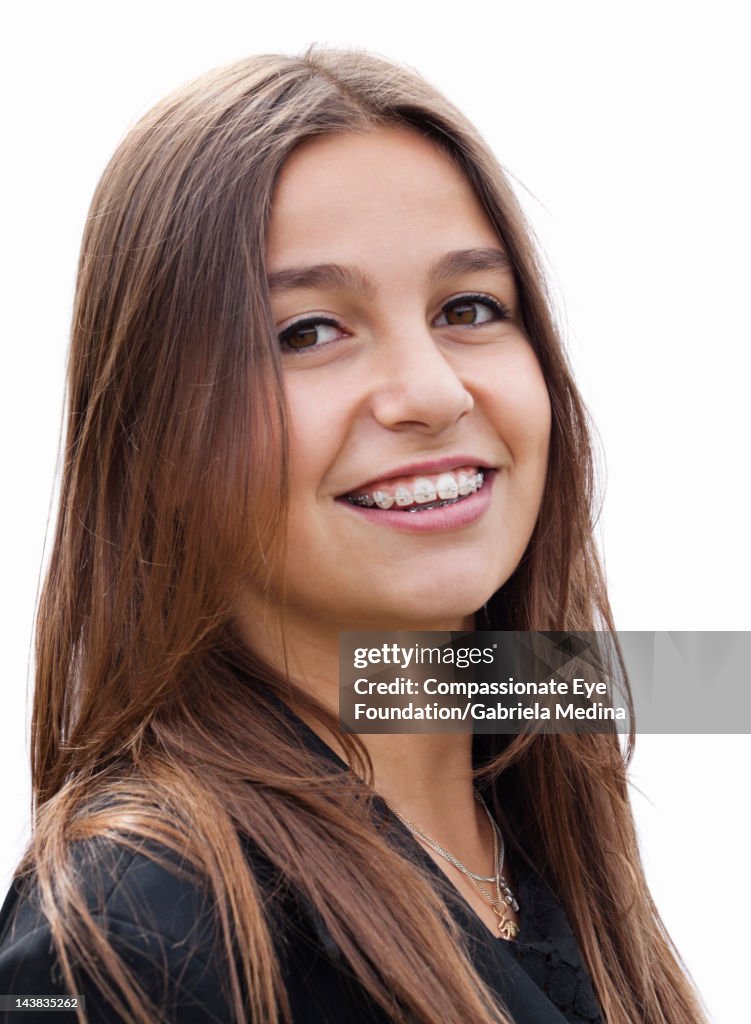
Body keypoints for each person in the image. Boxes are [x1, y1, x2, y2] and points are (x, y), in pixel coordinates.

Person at [0, 48, 706, 1024]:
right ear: (154, 434)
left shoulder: (548, 814)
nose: (431, 392)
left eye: (468, 309)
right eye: (308, 330)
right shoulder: (126, 932)